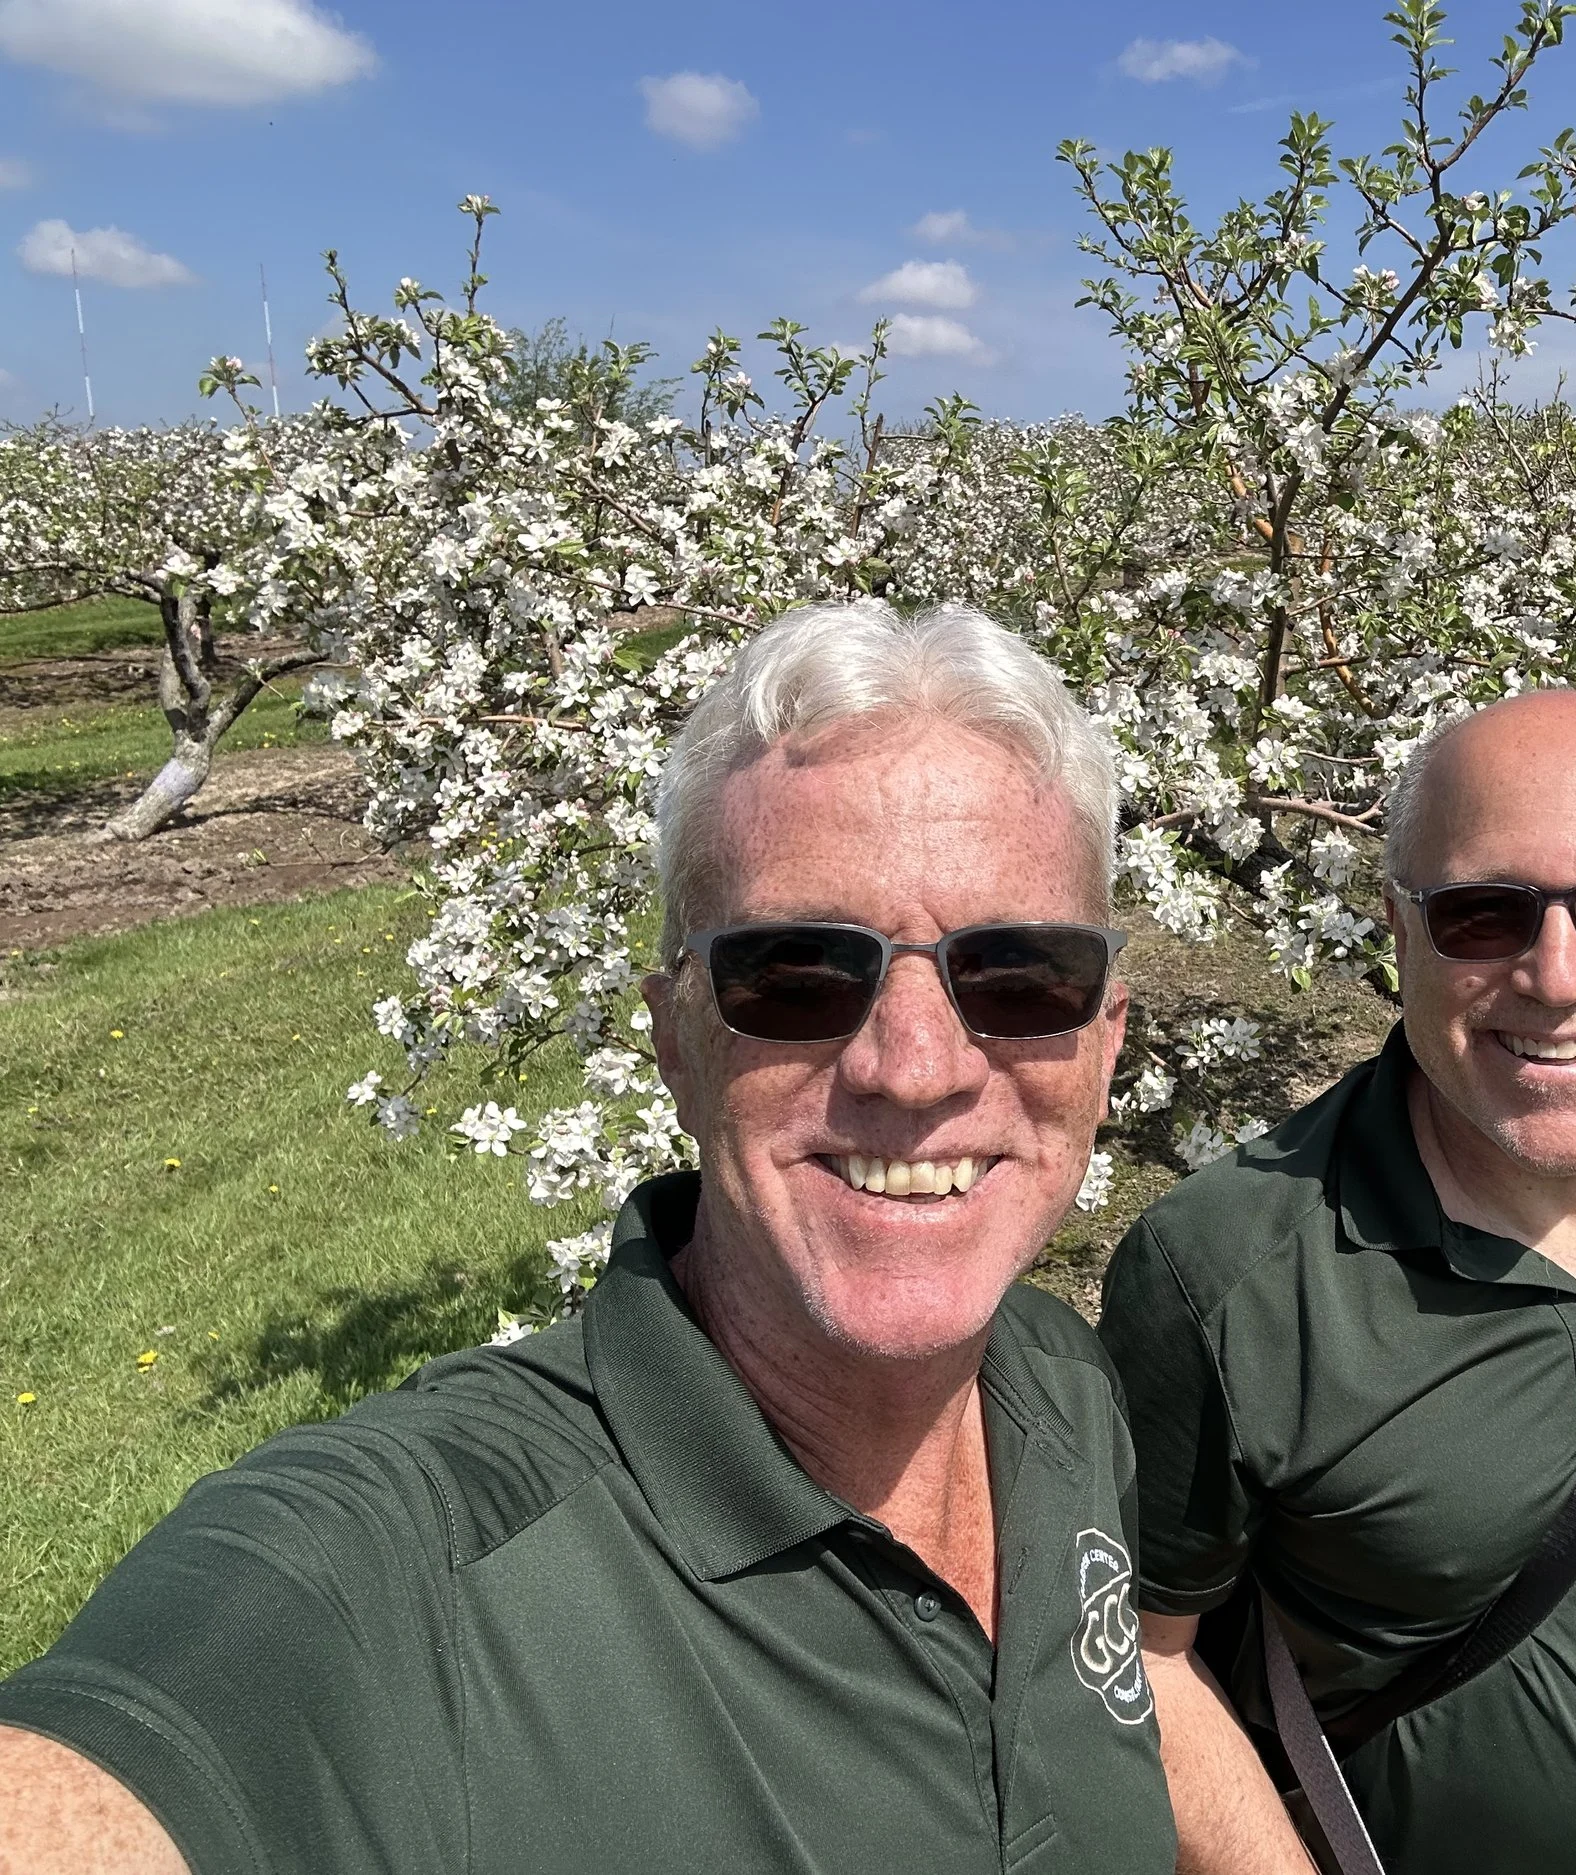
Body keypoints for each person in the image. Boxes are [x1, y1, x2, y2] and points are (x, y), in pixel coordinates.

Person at [0, 601, 1178, 1875]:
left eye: (1018, 975)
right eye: (795, 974)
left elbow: (1119, 1690)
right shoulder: (416, 1571)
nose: (914, 1067)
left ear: (1105, 1039)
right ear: (674, 1041)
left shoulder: (1057, 1380)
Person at [1097, 688, 1576, 1875]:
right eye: (1482, 915)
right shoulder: (1226, 1275)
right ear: (1398, 928)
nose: (1559, 977)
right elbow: (1145, 1659)